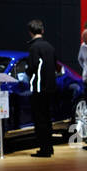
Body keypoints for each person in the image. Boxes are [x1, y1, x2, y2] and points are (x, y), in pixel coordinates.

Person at [26, 19, 58, 158]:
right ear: (42, 31)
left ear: (30, 32)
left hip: (38, 87)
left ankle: (44, 149)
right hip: (50, 87)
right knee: (47, 119)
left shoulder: (33, 48)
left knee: (40, 120)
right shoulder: (50, 47)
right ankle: (49, 147)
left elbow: (32, 67)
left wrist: (26, 71)